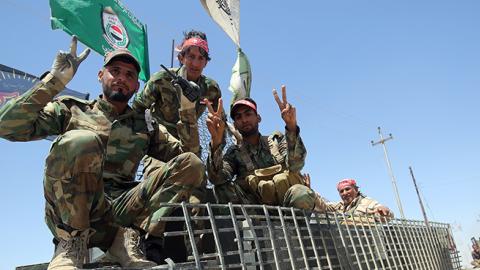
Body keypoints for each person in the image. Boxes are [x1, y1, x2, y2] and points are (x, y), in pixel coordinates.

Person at [0, 36, 204, 269]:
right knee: (82, 140)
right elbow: (6, 126)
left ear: (137, 86)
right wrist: (54, 82)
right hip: (74, 212)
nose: (121, 78)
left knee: (191, 165)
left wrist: (187, 110)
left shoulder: (144, 125)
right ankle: (70, 244)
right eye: (115, 71)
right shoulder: (71, 110)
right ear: (100, 76)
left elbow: (189, 160)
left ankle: (127, 239)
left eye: (129, 75)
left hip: (119, 215)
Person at [132, 29, 222, 262]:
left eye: (200, 57)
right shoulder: (162, 80)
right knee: (159, 184)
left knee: (196, 199)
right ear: (181, 57)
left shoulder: (211, 88)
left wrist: (217, 125)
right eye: (190, 56)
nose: (195, 62)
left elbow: (216, 116)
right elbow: (137, 109)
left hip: (189, 143)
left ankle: (196, 253)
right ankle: (152, 242)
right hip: (159, 146)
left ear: (206, 61)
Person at [205, 85, 316, 209]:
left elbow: (296, 165)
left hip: (289, 207)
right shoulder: (234, 153)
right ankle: (247, 227)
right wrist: (216, 142)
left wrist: (291, 126)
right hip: (256, 213)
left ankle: (297, 228)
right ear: (235, 125)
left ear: (258, 118)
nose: (244, 119)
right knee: (222, 188)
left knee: (302, 193)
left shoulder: (276, 141)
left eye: (248, 114)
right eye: (238, 117)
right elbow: (217, 178)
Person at [325, 179, 393, 218]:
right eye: (341, 191)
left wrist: (384, 211)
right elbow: (323, 205)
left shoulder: (367, 202)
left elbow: (386, 213)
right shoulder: (340, 206)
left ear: (356, 190)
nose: (344, 193)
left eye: (347, 189)